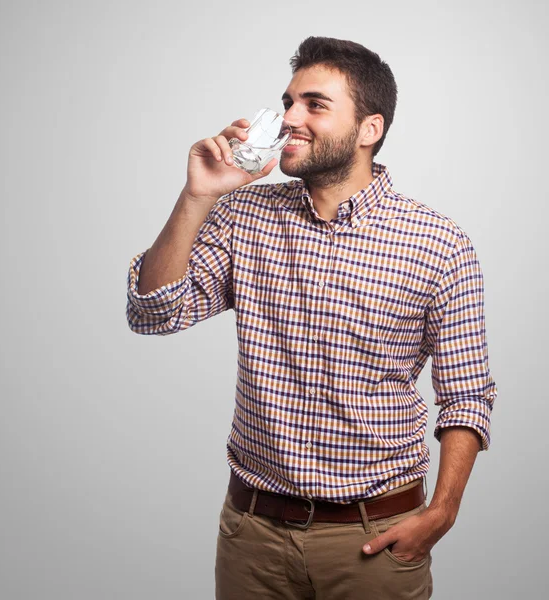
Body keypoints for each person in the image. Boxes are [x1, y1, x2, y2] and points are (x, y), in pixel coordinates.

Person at [126, 36, 497, 600]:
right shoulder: (243, 214)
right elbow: (154, 312)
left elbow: (467, 393)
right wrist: (197, 195)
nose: (289, 118)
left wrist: (442, 512)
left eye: (314, 105)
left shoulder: (439, 243)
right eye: (288, 101)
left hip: (373, 541)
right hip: (252, 535)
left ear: (369, 129)